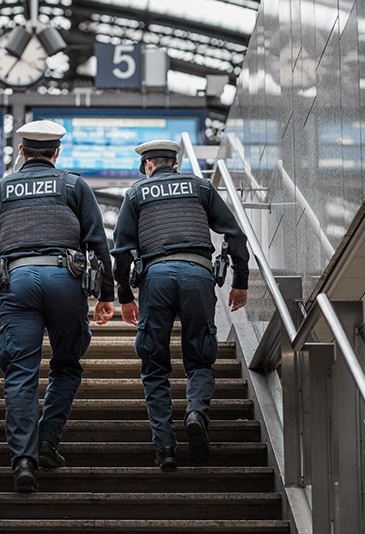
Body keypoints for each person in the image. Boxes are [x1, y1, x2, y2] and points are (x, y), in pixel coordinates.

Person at [0, 120, 115, 493]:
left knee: (20, 372)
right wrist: (107, 294)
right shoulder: (73, 185)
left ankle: (23, 458)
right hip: (65, 281)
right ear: (57, 153)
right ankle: (47, 440)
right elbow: (97, 243)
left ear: (21, 151)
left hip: (17, 282)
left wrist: (1, 286)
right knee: (67, 364)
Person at [112, 139, 249, 471]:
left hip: (155, 279)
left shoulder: (136, 194)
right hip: (198, 275)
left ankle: (166, 448)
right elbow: (236, 235)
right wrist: (241, 282)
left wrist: (125, 297)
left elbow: (120, 252)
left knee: (154, 365)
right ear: (175, 164)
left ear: (147, 166)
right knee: (200, 357)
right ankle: (195, 412)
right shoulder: (200, 187)